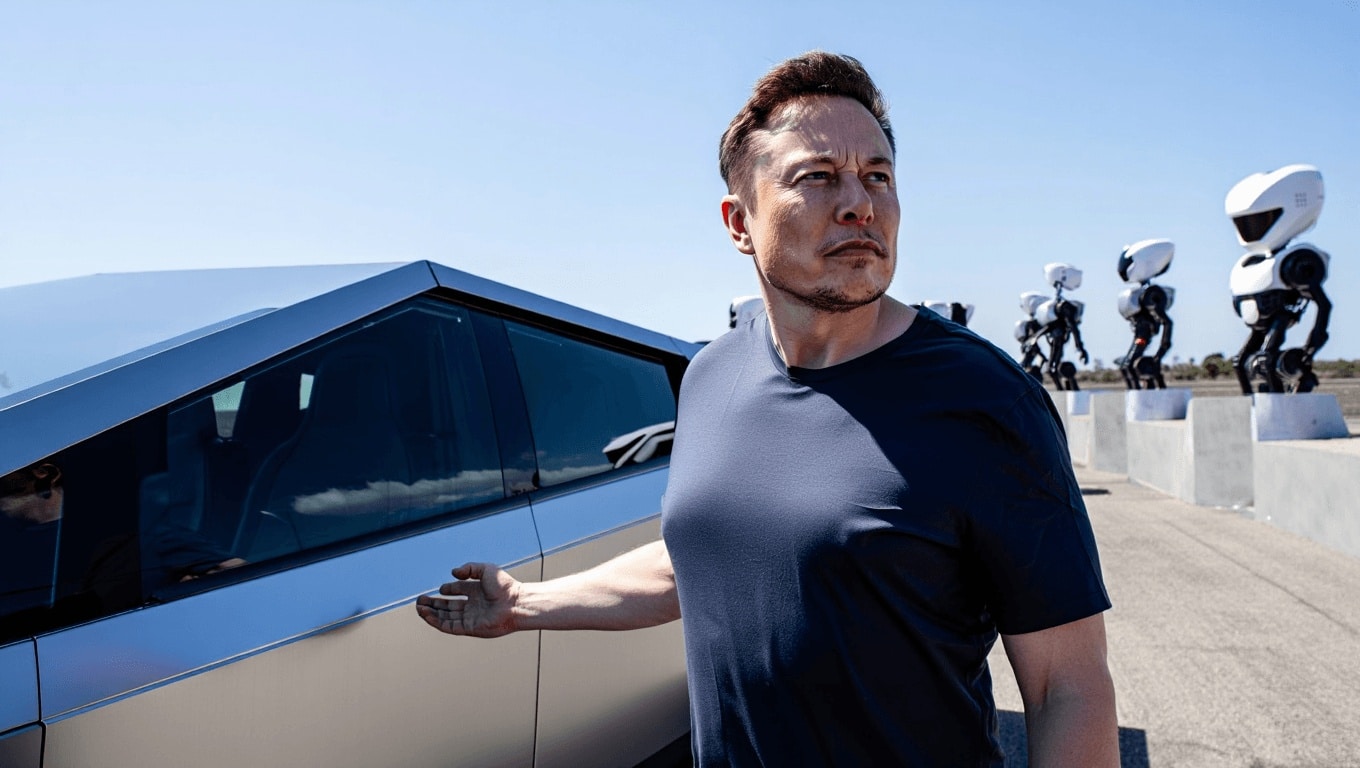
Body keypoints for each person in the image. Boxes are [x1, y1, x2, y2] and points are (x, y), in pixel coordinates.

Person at [417, 52, 1118, 766]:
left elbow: (1069, 685)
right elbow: (705, 554)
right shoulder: (712, 375)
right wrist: (525, 606)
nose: (859, 203)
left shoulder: (987, 401)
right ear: (739, 221)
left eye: (877, 176)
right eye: (817, 177)